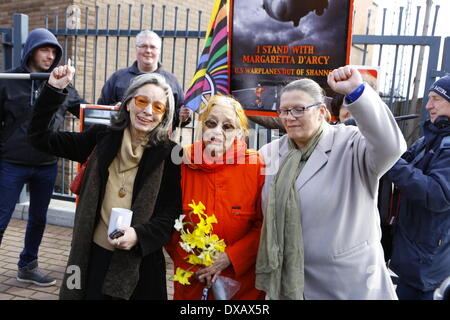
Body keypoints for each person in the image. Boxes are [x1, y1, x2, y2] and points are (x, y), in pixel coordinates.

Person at [28, 63, 181, 299]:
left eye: (158, 106)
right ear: (129, 103)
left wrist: (139, 235)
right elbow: (40, 138)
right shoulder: (102, 138)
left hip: (140, 265)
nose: (148, 111)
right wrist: (53, 91)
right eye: (142, 101)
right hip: (93, 257)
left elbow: (170, 213)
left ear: (164, 116)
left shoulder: (171, 154)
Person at [256, 66, 407, 300]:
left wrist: (357, 92)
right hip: (288, 285)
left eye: (299, 109)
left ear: (321, 111)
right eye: (284, 110)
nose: (289, 117)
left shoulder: (351, 144)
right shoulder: (270, 154)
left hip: (347, 285)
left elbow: (391, 146)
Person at [0, 28, 85, 287]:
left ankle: (28, 266)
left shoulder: (61, 82)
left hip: (46, 163)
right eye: (44, 50)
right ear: (31, 51)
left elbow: (84, 110)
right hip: (11, 162)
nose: (50, 56)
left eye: (54, 52)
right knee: (1, 217)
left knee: (38, 219)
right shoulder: (8, 79)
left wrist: (115, 112)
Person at [165, 95, 266, 300]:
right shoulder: (182, 161)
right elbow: (167, 218)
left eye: (227, 126)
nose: (217, 131)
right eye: (211, 123)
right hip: (193, 276)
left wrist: (231, 257)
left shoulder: (257, 166)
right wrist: (190, 258)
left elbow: (264, 225)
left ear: (240, 132)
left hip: (240, 281)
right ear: (202, 126)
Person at [386, 75, 450, 300]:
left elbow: (438, 195)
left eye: (436, 99)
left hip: (427, 262)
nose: (428, 105)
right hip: (411, 252)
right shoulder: (431, 138)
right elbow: (401, 158)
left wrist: (390, 160)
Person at [97, 29, 191, 130]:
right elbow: (102, 110)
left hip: (158, 142)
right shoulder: (117, 78)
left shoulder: (172, 82)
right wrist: (118, 109)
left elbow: (177, 118)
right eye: (143, 46)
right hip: (120, 141)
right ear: (136, 49)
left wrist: (184, 117)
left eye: (153, 47)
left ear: (159, 51)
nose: (148, 51)